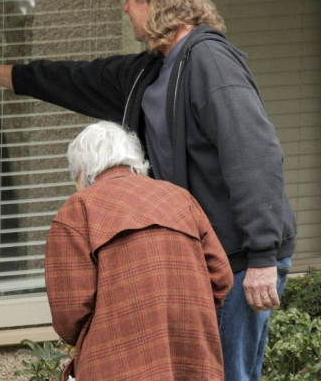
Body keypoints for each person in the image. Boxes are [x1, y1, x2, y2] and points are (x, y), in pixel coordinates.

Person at [0, 0, 297, 381]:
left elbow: (255, 153)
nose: (124, 7)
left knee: (229, 375)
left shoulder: (210, 62)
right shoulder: (153, 70)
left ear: (153, 0)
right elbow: (77, 80)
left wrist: (263, 256)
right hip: (202, 258)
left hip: (240, 257)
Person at [46, 121, 233, 381]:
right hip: (191, 359)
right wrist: (183, 304)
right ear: (133, 160)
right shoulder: (180, 199)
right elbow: (221, 277)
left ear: (82, 171)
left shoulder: (76, 212)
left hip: (116, 364)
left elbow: (69, 314)